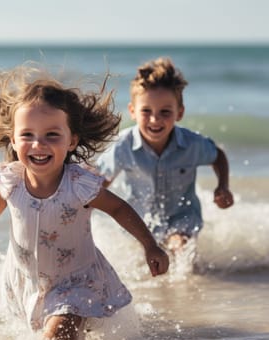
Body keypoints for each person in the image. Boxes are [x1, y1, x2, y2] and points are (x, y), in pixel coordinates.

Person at [0, 63, 169, 340]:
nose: (38, 144)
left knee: (60, 336)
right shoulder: (11, 181)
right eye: (27, 135)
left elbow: (119, 209)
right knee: (57, 336)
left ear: (72, 141)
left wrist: (149, 245)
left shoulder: (79, 184)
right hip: (28, 280)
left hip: (76, 280)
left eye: (52, 135)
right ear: (13, 139)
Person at [95, 57, 234, 254]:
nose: (155, 119)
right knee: (144, 265)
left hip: (182, 218)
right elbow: (99, 183)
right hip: (140, 221)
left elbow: (217, 155)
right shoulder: (122, 147)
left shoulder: (191, 144)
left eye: (165, 112)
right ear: (132, 111)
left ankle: (189, 285)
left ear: (180, 112)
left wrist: (223, 186)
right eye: (146, 111)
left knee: (180, 249)